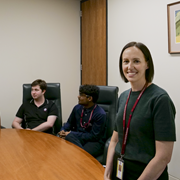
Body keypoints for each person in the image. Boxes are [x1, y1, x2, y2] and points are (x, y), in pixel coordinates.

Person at [104, 42, 176, 180]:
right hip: (119, 172)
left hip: (147, 175)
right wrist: (107, 173)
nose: (130, 67)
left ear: (147, 64)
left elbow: (163, 157)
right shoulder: (123, 96)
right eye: (125, 61)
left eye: (136, 61)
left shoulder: (160, 99)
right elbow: (114, 141)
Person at [58, 84, 106, 157]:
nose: (78, 96)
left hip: (93, 142)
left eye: (81, 95)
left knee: (77, 153)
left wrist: (71, 134)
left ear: (89, 98)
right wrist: (63, 130)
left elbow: (94, 136)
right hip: (77, 138)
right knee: (61, 145)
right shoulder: (77, 108)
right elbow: (68, 123)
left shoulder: (100, 114)